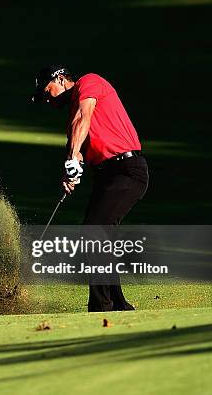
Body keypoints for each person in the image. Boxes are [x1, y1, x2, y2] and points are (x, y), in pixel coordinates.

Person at [31, 65, 149, 311]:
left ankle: (100, 306)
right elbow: (76, 138)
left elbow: (85, 118)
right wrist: (70, 171)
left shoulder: (89, 82)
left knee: (94, 231)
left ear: (61, 79)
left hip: (127, 169)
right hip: (105, 175)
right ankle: (117, 304)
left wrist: (74, 156)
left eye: (47, 91)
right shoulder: (72, 118)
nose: (48, 99)